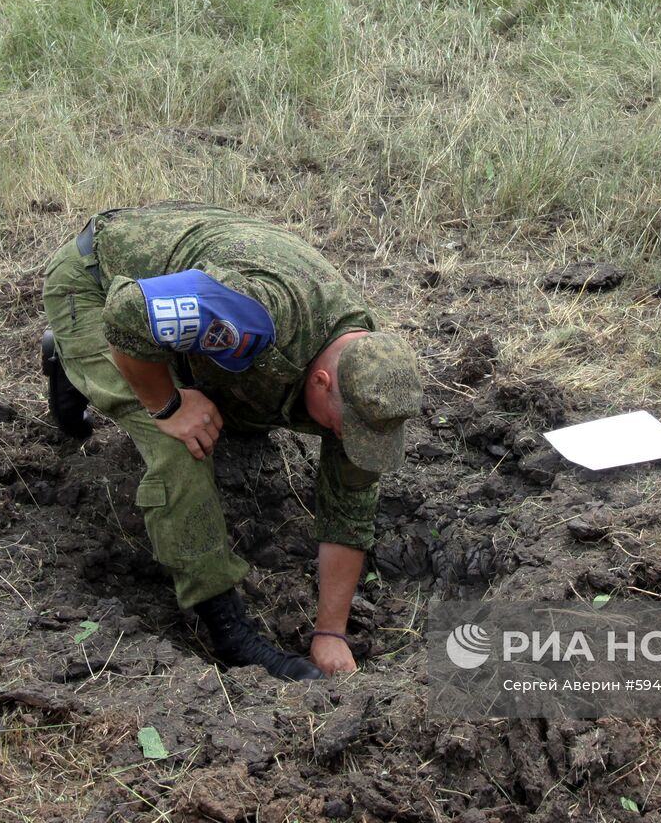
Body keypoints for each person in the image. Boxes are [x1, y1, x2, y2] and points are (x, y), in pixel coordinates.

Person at [40, 201, 423, 681]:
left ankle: (91, 365)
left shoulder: (369, 370)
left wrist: (331, 632)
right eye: (350, 426)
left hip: (181, 285)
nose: (352, 438)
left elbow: (351, 503)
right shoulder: (256, 314)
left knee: (233, 412)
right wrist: (170, 407)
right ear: (322, 381)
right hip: (98, 283)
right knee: (184, 443)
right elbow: (128, 312)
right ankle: (226, 627)